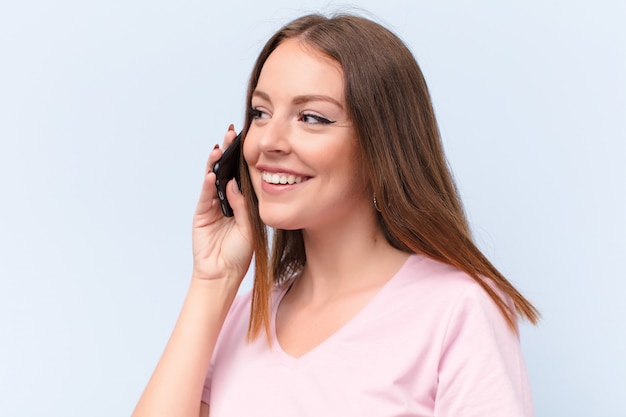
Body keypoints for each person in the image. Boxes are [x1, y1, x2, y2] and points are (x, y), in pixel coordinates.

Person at [133, 12, 539, 417]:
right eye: (260, 113)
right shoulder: (237, 318)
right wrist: (213, 280)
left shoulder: (458, 309)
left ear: (381, 145)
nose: (268, 141)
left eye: (311, 118)